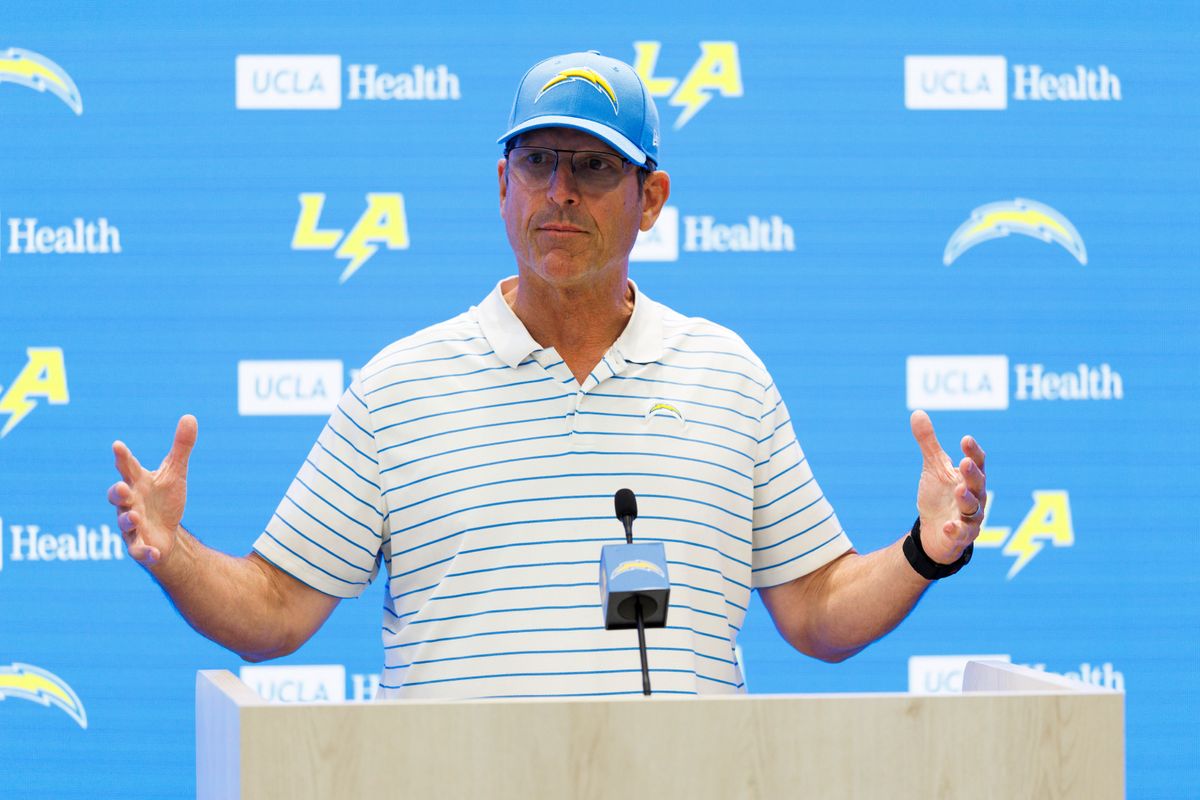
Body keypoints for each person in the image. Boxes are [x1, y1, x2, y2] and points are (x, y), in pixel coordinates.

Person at [107, 51, 986, 700]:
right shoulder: (398, 386)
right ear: (503, 184)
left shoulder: (728, 377)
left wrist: (925, 548)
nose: (560, 189)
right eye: (538, 161)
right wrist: (174, 554)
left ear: (651, 198)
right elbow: (273, 610)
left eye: (594, 165)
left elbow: (819, 611)